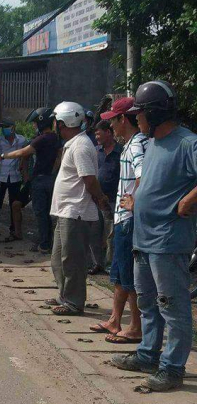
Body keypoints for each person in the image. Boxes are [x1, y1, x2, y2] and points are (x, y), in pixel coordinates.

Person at [112, 81, 197, 391]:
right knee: (148, 302)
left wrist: (188, 201)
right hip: (144, 239)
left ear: (155, 113)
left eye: (140, 114)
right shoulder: (154, 143)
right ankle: (148, 354)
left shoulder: (187, 143)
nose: (137, 119)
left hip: (168, 241)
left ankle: (172, 368)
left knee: (172, 306)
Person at [89, 98, 148, 343]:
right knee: (119, 272)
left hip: (130, 219)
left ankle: (135, 327)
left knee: (129, 274)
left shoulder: (137, 145)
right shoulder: (133, 143)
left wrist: (135, 202)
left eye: (112, 120)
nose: (111, 126)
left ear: (123, 119)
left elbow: (143, 176)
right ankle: (115, 320)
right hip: (123, 218)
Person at [48, 101, 109, 316]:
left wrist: (100, 198)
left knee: (72, 260)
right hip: (65, 211)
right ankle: (64, 295)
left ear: (62, 123)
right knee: (58, 259)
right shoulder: (72, 144)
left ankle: (74, 302)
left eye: (55, 121)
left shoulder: (81, 146)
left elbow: (89, 179)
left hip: (76, 212)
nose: (53, 125)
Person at [0, 107, 58, 253]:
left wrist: (3, 156)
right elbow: (59, 156)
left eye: (35, 122)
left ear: (42, 122)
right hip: (50, 179)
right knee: (46, 213)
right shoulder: (56, 138)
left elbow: (22, 152)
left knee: (40, 213)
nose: (34, 125)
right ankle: (47, 242)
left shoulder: (42, 139)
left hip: (39, 181)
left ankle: (44, 245)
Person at [88, 120, 122, 273]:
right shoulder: (95, 151)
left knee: (110, 234)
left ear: (108, 132)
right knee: (94, 233)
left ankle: (109, 265)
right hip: (95, 199)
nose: (96, 137)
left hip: (113, 200)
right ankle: (97, 263)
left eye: (98, 133)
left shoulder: (120, 152)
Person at [0, 119, 27, 241]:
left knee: (14, 205)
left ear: (13, 128)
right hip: (0, 178)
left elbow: (26, 155)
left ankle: (13, 230)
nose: (4, 130)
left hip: (15, 178)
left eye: (6, 127)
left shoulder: (22, 140)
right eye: (2, 128)